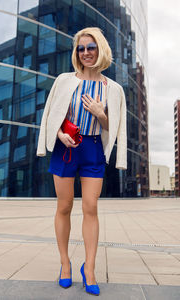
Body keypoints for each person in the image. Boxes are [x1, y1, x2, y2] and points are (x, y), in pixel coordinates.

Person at [37, 27, 127, 296]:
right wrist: (59, 134)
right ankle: (65, 264)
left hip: (93, 148)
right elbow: (51, 115)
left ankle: (89, 268)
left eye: (91, 47)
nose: (86, 53)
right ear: (77, 52)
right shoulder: (64, 80)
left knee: (91, 207)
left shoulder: (114, 89)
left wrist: (101, 114)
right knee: (63, 206)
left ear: (101, 50)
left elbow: (116, 128)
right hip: (67, 147)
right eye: (81, 48)